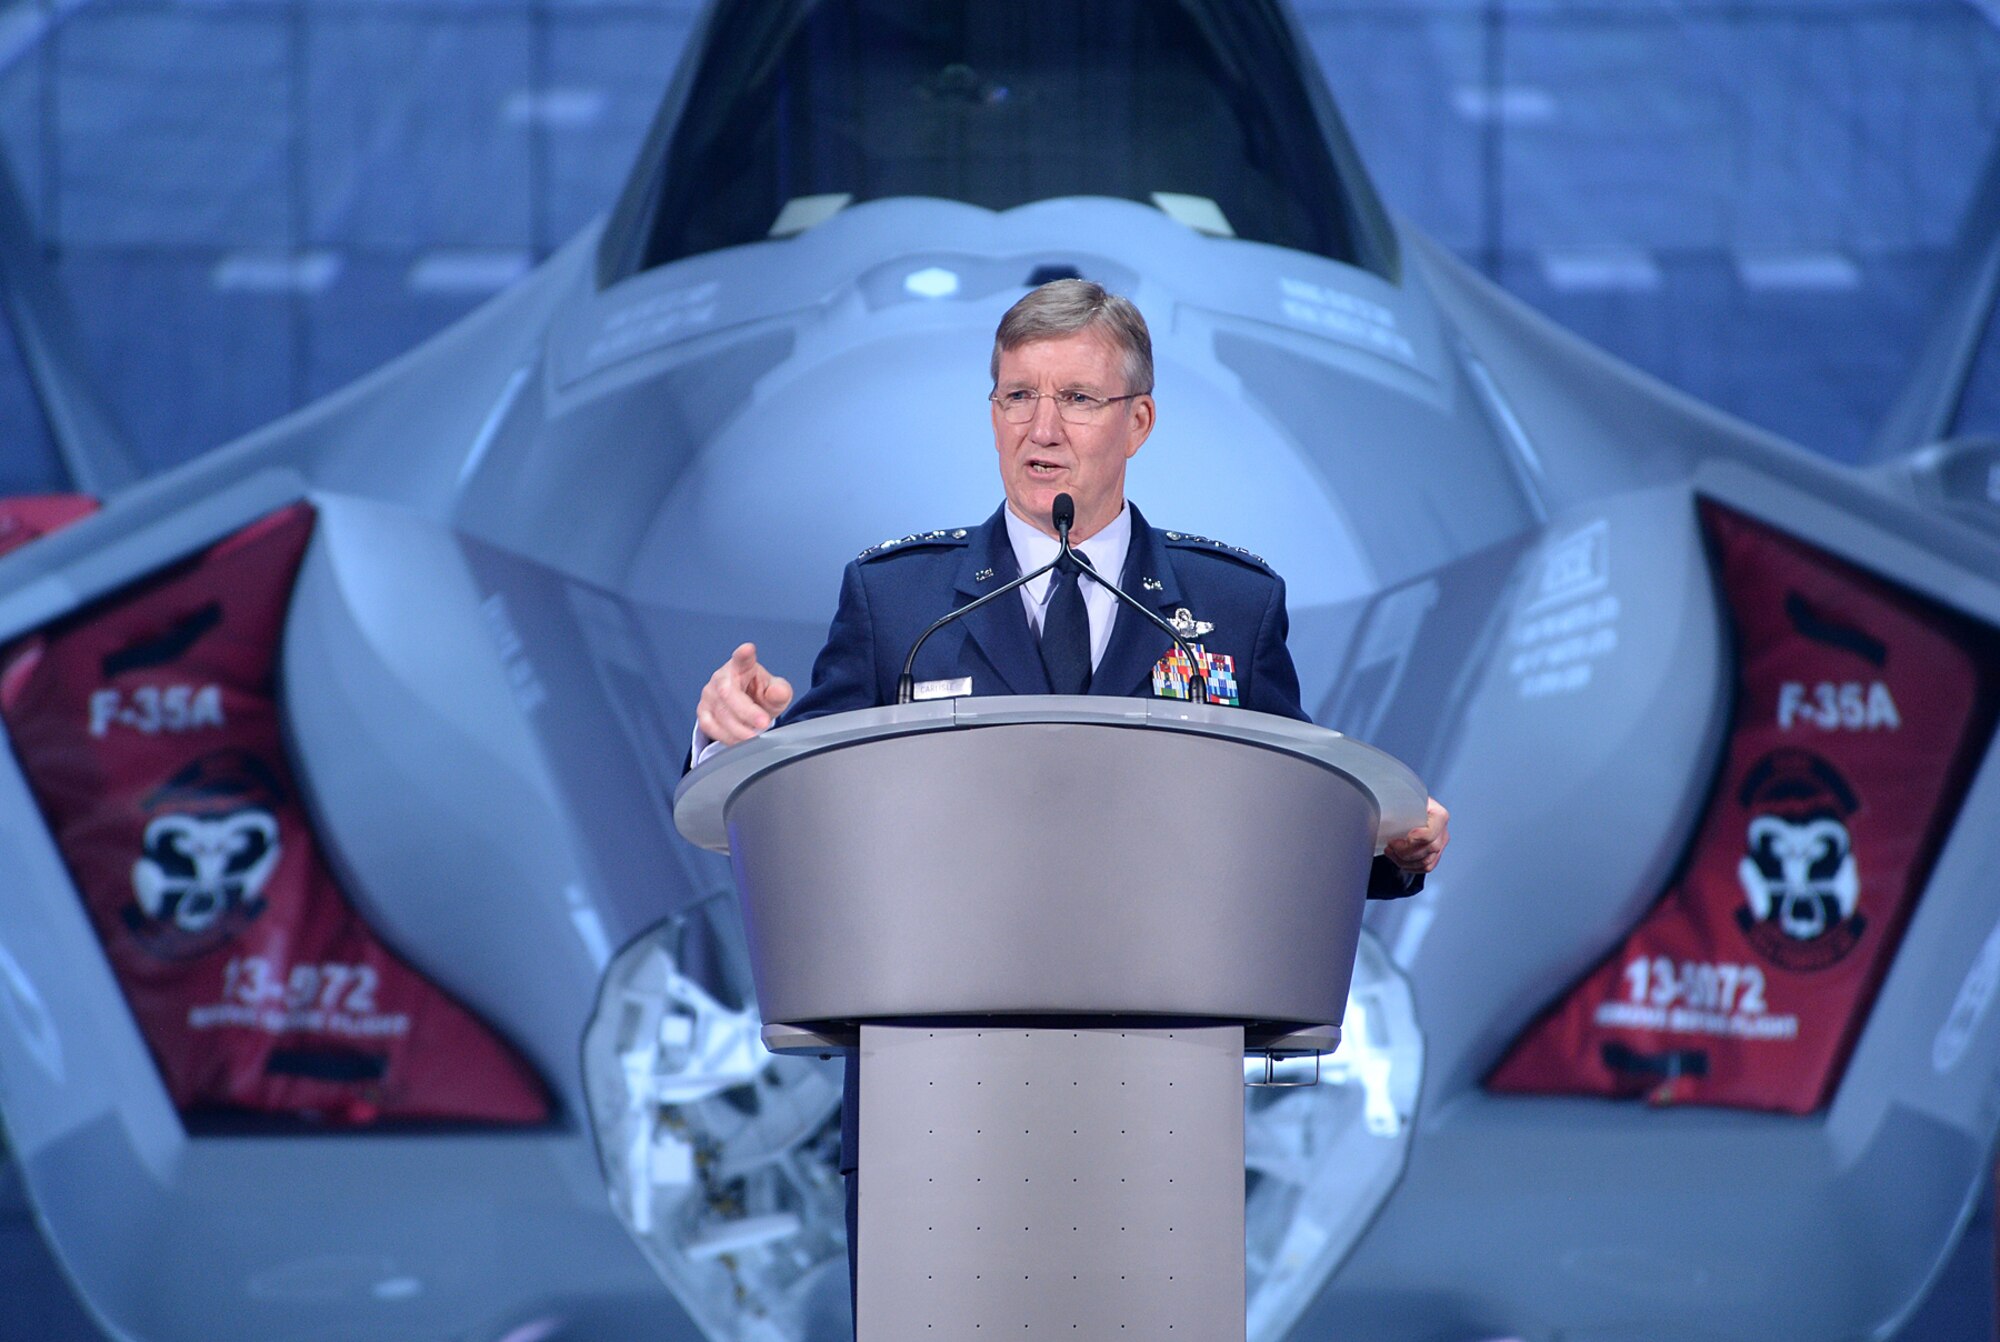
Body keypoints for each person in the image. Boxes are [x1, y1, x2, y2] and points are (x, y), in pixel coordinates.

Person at [690, 276, 1449, 1316]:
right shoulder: (895, 602)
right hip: (932, 1122)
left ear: (1137, 420)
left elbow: (1284, 827)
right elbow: (805, 805)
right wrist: (729, 735)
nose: (1040, 430)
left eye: (1077, 400)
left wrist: (1385, 848)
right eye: (1015, 397)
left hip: (1159, 1119)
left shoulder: (1229, 607)